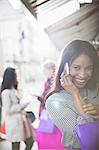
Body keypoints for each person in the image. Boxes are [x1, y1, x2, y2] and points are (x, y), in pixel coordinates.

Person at [46, 40, 99, 150]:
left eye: (89, 68)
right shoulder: (55, 101)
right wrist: (75, 94)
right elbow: (88, 137)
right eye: (76, 67)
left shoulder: (95, 87)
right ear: (64, 68)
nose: (83, 75)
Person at [0, 67, 34, 150]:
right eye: (16, 75)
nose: (17, 77)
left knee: (30, 142)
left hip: (21, 122)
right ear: (11, 76)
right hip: (14, 123)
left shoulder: (14, 89)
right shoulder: (6, 92)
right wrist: (22, 105)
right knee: (16, 146)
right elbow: (8, 109)